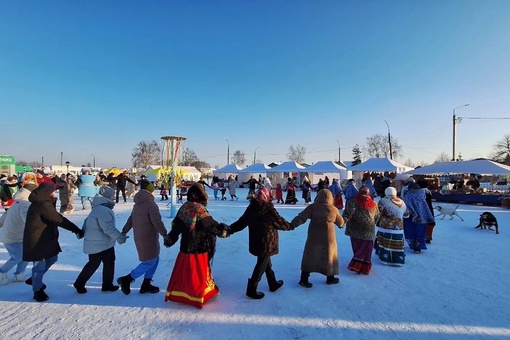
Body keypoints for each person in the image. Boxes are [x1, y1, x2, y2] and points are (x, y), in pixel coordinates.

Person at [163, 183, 227, 308]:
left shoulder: (184, 208)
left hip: (186, 246)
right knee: (199, 273)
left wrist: (170, 238)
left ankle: (182, 293)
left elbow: (176, 227)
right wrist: (223, 230)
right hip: (200, 247)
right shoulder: (200, 209)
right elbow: (211, 225)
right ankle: (199, 295)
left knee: (185, 273)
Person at [226, 186, 292, 299]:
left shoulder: (252, 207)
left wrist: (230, 229)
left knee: (265, 261)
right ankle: (252, 289)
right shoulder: (269, 209)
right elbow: (280, 222)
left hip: (256, 241)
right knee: (262, 263)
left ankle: (273, 283)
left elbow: (241, 222)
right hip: (268, 242)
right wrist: (289, 226)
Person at [23, 182, 84, 302]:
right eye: (53, 190)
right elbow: (58, 219)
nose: (54, 192)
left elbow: (55, 217)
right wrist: (76, 230)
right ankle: (37, 290)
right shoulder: (42, 204)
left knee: (52, 258)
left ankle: (34, 279)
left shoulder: (42, 202)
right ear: (48, 192)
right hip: (37, 239)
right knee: (39, 265)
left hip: (44, 237)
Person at [73, 186, 128, 294]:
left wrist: (82, 232)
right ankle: (79, 283)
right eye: (112, 194)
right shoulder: (103, 210)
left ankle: (107, 285)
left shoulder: (100, 207)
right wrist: (120, 238)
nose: (114, 196)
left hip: (103, 242)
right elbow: (108, 228)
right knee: (94, 264)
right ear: (107, 196)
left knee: (108, 263)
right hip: (98, 243)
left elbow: (87, 221)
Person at [117, 180, 168, 295]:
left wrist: (124, 231)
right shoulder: (151, 204)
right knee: (149, 261)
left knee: (155, 259)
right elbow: (157, 222)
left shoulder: (138, 204)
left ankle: (146, 284)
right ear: (151, 191)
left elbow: (131, 220)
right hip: (148, 238)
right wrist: (165, 234)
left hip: (141, 236)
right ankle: (127, 279)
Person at [290, 189, 345, 288]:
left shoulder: (312, 207)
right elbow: (340, 223)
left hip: (313, 237)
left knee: (310, 255)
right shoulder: (333, 209)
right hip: (328, 239)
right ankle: (330, 278)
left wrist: (292, 225)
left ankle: (304, 279)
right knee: (329, 256)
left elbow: (301, 217)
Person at [0, 182, 38, 285]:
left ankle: (19, 274)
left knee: (26, 255)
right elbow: (28, 221)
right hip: (12, 236)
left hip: (18, 235)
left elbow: (4, 216)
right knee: (17, 256)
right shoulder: (25, 204)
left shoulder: (18, 202)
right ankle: (2, 272)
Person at [342, 186, 380, 275]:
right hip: (369, 229)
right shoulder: (373, 203)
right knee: (366, 248)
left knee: (358, 246)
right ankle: (365, 267)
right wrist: (373, 222)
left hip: (356, 228)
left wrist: (343, 221)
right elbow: (377, 216)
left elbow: (348, 213)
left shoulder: (353, 201)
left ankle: (357, 266)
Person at [375, 187, 407, 266]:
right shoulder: (402, 201)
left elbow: (378, 213)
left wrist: (376, 221)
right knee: (397, 244)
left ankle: (386, 258)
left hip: (386, 227)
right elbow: (406, 214)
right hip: (399, 227)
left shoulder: (383, 201)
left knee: (386, 243)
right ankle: (398, 259)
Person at [402, 183, 435, 254]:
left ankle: (413, 245)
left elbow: (406, 206)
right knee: (420, 232)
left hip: (411, 217)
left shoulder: (408, 196)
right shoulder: (424, 194)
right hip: (423, 216)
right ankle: (418, 247)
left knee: (411, 231)